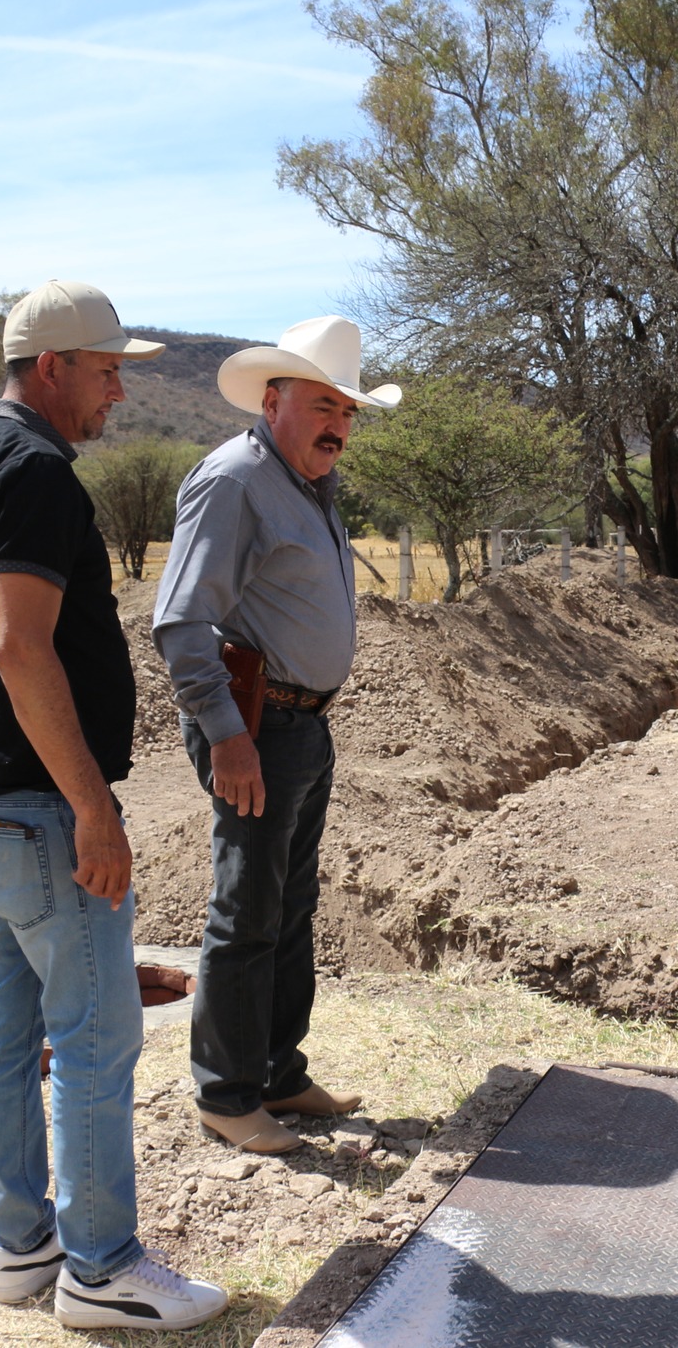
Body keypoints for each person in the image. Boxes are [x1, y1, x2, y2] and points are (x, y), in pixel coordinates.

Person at [0, 279, 228, 1331]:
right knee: (95, 1041)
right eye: (106, 373)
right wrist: (90, 807)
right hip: (39, 811)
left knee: (3, 1023)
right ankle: (101, 1269)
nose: (118, 396)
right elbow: (15, 645)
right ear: (51, 366)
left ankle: (23, 1250)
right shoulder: (35, 472)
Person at [153, 316, 400, 1154]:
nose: (338, 423)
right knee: (247, 911)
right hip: (256, 729)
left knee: (289, 908)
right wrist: (227, 735)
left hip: (303, 725)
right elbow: (182, 623)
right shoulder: (234, 481)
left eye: (348, 409)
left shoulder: (303, 484)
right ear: (274, 399)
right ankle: (226, 1094)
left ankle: (278, 1074)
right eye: (323, 402)